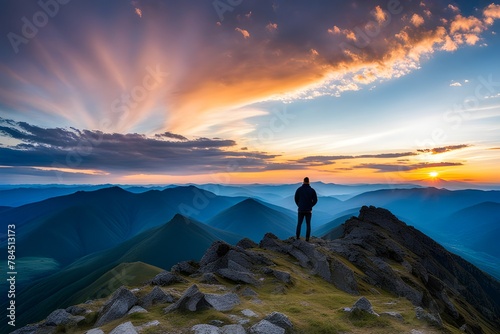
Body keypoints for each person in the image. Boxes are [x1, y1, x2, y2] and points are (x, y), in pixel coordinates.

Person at [294, 177, 318, 242]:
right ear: (309, 182)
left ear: (303, 181)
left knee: (299, 223)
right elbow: (315, 200)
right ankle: (307, 239)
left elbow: (296, 198)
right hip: (308, 210)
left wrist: (299, 205)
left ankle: (297, 237)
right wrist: (311, 205)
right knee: (308, 224)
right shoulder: (312, 190)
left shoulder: (299, 189)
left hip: (301, 209)